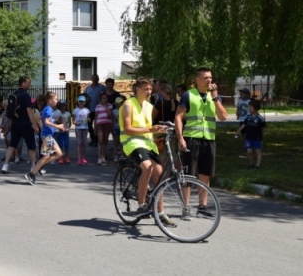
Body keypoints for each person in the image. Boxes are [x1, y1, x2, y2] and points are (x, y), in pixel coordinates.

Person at [119, 78, 174, 225]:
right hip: (132, 142)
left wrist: (160, 129)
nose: (149, 92)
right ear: (137, 89)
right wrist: (150, 129)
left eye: (150, 89)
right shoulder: (128, 104)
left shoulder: (149, 106)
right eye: (146, 89)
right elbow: (127, 129)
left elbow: (151, 127)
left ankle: (160, 212)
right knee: (147, 167)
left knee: (160, 174)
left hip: (148, 144)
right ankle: (142, 204)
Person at [175, 67, 228, 217]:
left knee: (205, 174)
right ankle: (186, 207)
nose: (209, 80)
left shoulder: (214, 97)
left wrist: (215, 98)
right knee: (189, 174)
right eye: (205, 78)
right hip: (192, 138)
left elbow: (223, 117)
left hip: (209, 139)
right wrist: (180, 138)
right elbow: (178, 117)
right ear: (197, 80)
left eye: (210, 77)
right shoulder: (188, 95)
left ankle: (202, 207)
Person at [1, 76, 40, 174]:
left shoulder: (14, 94)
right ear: (23, 83)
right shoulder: (25, 95)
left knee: (12, 144)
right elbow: (29, 111)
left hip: (15, 123)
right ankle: (33, 166)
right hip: (25, 123)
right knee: (31, 146)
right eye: (28, 82)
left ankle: (5, 165)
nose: (29, 84)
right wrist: (34, 125)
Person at [25, 92, 64, 185]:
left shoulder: (46, 108)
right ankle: (32, 174)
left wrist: (41, 128)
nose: (57, 101)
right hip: (47, 137)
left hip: (48, 136)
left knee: (59, 153)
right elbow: (46, 122)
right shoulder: (48, 109)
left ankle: (38, 166)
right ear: (50, 100)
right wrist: (58, 126)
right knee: (46, 156)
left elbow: (38, 118)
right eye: (55, 99)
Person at [236, 99, 265, 169]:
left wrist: (262, 136)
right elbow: (244, 124)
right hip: (249, 137)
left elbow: (263, 128)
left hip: (257, 138)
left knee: (258, 152)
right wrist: (238, 131)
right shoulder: (248, 117)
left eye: (250, 107)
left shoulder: (260, 118)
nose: (249, 108)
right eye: (248, 107)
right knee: (249, 152)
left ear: (256, 108)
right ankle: (251, 165)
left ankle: (257, 166)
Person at [83, 74, 107, 146]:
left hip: (99, 110)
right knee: (88, 125)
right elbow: (83, 97)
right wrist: (86, 100)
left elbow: (108, 94)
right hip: (89, 110)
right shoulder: (88, 88)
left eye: (96, 78)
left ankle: (96, 140)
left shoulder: (102, 87)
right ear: (91, 79)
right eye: (93, 78)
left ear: (98, 79)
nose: (95, 79)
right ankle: (93, 138)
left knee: (97, 126)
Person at [94, 92, 113, 165]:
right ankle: (99, 157)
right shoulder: (98, 106)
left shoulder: (109, 105)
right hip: (100, 125)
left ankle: (103, 156)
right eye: (103, 98)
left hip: (107, 124)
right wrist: (95, 127)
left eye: (105, 98)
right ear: (100, 99)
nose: (104, 100)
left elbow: (109, 114)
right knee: (100, 141)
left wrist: (105, 106)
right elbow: (96, 117)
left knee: (105, 141)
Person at [72, 96, 90, 165]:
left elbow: (88, 118)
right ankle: (79, 158)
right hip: (78, 128)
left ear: (84, 102)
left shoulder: (87, 110)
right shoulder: (75, 110)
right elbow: (73, 120)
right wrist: (75, 123)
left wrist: (88, 119)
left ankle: (83, 157)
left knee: (84, 143)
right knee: (79, 143)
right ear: (78, 102)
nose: (81, 103)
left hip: (85, 128)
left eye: (82, 101)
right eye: (80, 101)